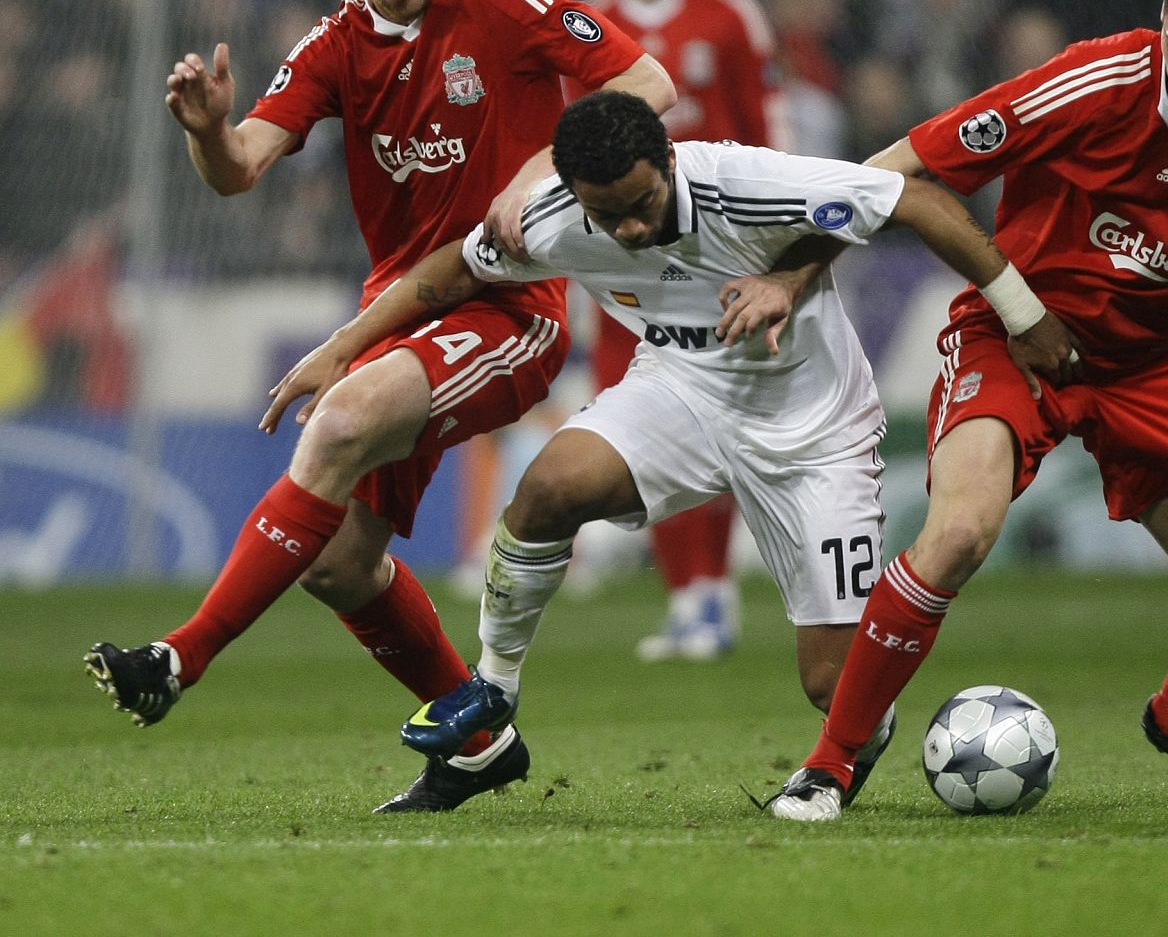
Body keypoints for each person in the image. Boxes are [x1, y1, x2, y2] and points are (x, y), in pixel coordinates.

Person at [262, 90, 1077, 810]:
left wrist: (1022, 312)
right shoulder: (557, 217)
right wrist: (347, 344)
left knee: (833, 685)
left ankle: (862, 727)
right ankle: (494, 689)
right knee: (547, 491)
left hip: (813, 432)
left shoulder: (745, 181)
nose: (629, 227)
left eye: (641, 203)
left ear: (669, 160)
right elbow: (453, 273)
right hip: (682, 394)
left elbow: (914, 200)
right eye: (606, 214)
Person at [82, 0, 675, 814]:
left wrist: (543, 175)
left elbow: (646, 86)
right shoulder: (332, 49)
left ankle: (178, 658)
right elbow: (240, 170)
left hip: (509, 305)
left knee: (344, 419)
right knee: (337, 564)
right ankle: (478, 740)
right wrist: (205, 132)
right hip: (402, 311)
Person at [769, 0, 1168, 821]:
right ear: (1164, 19)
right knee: (960, 531)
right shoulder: (1090, 84)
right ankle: (829, 765)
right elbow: (901, 165)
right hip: (1015, 337)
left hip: (1147, 366)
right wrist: (795, 269)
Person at [580, 0, 793, 662]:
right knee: (644, 421)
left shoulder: (728, 14)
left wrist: (777, 235)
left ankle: (713, 595)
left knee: (719, 416)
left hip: (718, 251)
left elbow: (770, 127)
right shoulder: (591, 21)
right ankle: (687, 599)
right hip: (627, 262)